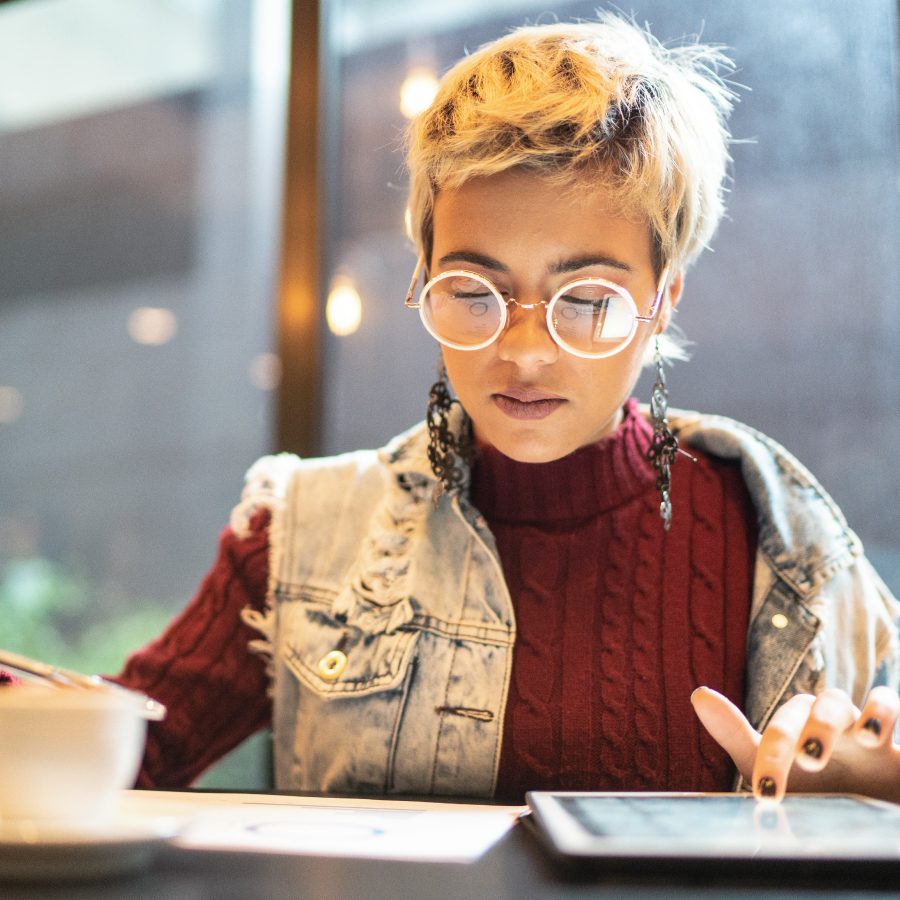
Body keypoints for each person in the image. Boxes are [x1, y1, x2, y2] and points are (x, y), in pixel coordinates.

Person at [110, 13, 899, 802]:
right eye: (475, 292)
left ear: (663, 299)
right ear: (423, 280)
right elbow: (113, 753)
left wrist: (873, 795)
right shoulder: (298, 535)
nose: (524, 352)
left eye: (587, 300)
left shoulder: (781, 537)